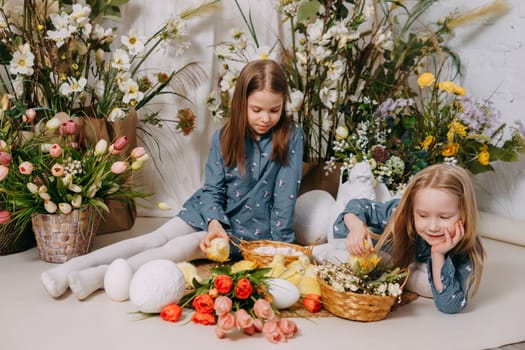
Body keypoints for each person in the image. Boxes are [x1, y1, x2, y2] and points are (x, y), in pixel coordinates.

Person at [40, 59, 304, 300]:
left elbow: (285, 198)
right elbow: (212, 189)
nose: (265, 118)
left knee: (181, 247)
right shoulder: (224, 136)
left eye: (275, 110)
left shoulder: (292, 136)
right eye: (256, 109)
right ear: (241, 103)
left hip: (245, 231)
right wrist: (213, 222)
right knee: (153, 240)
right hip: (209, 212)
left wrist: (280, 250)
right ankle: (70, 268)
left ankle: (100, 277)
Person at [333, 163, 486, 314]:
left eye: (444, 217)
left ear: (465, 213)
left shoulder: (466, 248)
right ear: (412, 210)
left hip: (414, 263)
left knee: (430, 285)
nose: (433, 227)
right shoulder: (400, 214)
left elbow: (450, 305)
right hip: (362, 242)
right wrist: (356, 227)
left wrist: (438, 254)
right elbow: (356, 206)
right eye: (423, 215)